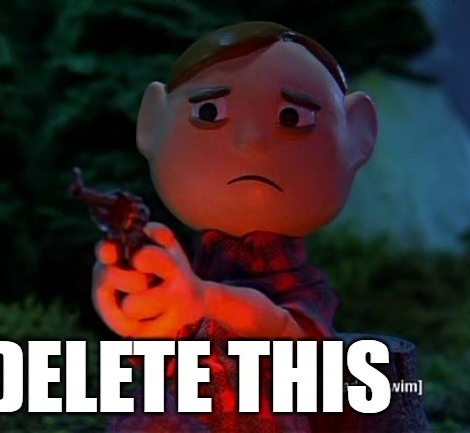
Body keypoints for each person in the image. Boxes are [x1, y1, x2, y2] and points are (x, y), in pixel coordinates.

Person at [92, 21, 378, 432]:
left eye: (292, 117)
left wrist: (206, 299)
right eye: (209, 112)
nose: (251, 141)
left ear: (358, 136)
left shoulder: (301, 288)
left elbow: (291, 336)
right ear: (152, 123)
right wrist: (129, 301)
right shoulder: (195, 268)